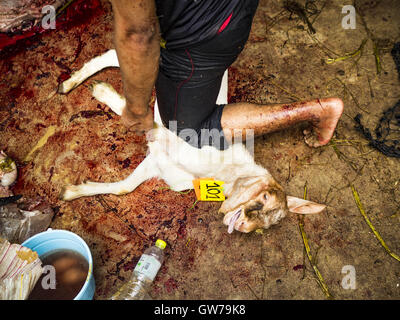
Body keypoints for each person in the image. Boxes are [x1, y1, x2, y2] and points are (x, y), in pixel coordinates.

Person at [110, 0, 343, 150]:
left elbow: (138, 36)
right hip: (234, 9)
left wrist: (137, 109)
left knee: (187, 127)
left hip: (211, 31)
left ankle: (315, 111)